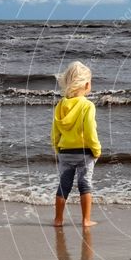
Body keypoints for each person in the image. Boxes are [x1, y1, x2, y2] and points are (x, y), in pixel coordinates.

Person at [51, 61, 102, 227]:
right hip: (84, 152)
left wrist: (57, 148)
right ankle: (86, 220)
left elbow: (55, 130)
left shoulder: (60, 105)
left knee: (64, 184)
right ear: (86, 84)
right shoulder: (87, 105)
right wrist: (96, 149)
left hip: (65, 151)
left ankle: (58, 219)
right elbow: (89, 131)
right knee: (85, 184)